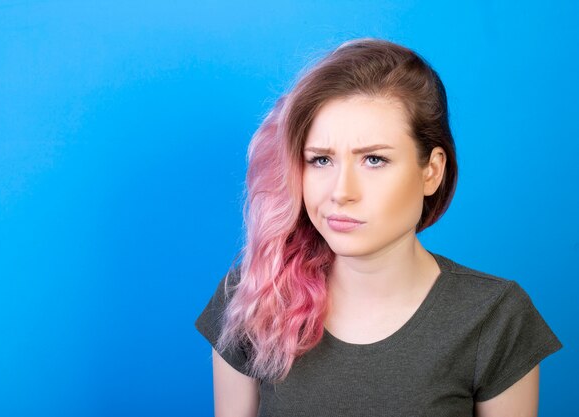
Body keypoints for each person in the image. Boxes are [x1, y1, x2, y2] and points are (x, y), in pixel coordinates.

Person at [194, 38, 563, 417]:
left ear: (431, 171)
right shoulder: (253, 296)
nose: (341, 192)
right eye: (320, 160)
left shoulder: (495, 317)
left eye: (374, 159)